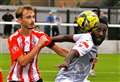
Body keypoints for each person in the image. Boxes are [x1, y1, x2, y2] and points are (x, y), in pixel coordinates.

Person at [7, 6, 69, 82]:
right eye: (28, 17)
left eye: (33, 17)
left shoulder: (40, 36)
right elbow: (23, 62)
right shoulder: (13, 38)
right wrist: (39, 45)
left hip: (35, 79)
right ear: (20, 20)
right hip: (16, 79)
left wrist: (81, 56)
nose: (32, 20)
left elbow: (60, 51)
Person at [52, 11, 108, 82]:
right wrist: (66, 62)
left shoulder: (86, 36)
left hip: (79, 79)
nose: (101, 34)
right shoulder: (88, 41)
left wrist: (49, 38)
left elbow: (66, 37)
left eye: (104, 31)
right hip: (67, 79)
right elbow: (74, 52)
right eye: (98, 30)